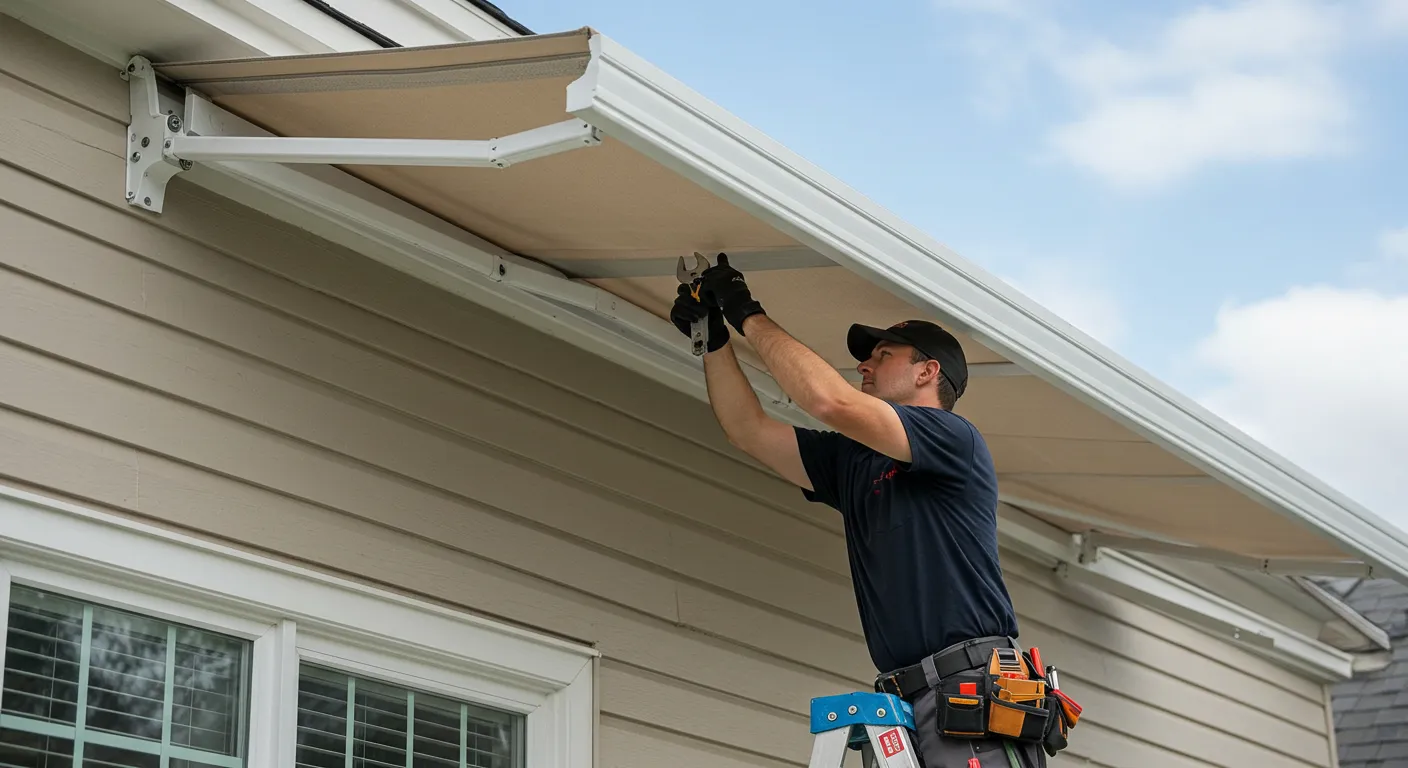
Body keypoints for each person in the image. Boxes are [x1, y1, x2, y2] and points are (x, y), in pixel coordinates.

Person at [670, 254, 1051, 768]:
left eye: (883, 355)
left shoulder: (953, 439)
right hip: (899, 704)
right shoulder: (854, 460)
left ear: (927, 371)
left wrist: (747, 313)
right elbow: (749, 430)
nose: (864, 365)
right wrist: (713, 338)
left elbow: (832, 403)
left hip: (968, 694)